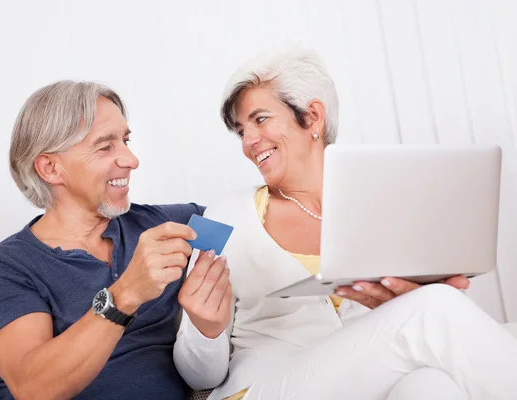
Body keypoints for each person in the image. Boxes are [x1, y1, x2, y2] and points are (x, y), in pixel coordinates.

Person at [173, 48, 517, 400]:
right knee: (434, 309)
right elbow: (198, 376)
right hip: (262, 389)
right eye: (241, 131)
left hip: (368, 382)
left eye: (259, 120)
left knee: (434, 386)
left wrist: (401, 303)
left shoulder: (386, 207)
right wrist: (205, 330)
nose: (248, 142)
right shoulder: (218, 217)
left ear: (313, 117)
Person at [0, 81, 219, 399]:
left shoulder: (162, 224)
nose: (131, 160)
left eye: (125, 141)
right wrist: (125, 294)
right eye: (105, 146)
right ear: (50, 167)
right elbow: (33, 388)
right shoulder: (5, 268)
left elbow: (252, 223)